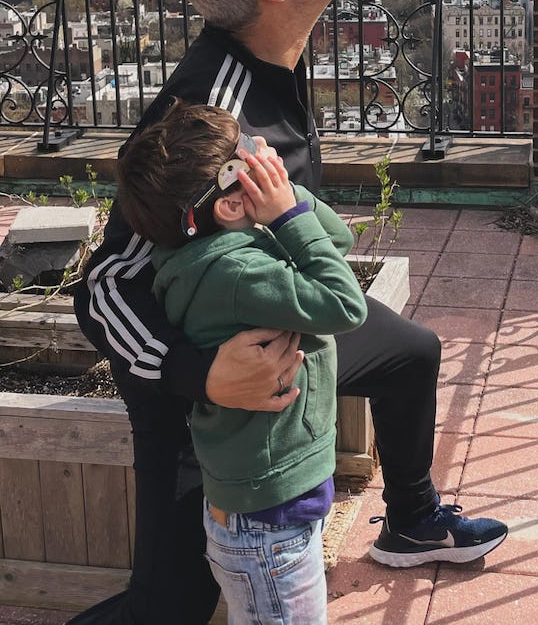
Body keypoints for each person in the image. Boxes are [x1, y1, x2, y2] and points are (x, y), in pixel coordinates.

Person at [72, 0, 507, 624]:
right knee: (172, 604)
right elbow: (105, 285)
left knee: (411, 353)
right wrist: (204, 374)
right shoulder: (212, 110)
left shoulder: (281, 65)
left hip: (269, 330)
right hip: (193, 388)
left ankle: (412, 520)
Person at [115, 99, 368, 624]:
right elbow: (345, 303)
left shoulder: (220, 243)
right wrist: (287, 215)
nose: (262, 156)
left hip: (272, 502)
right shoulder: (236, 271)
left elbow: (337, 239)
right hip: (267, 522)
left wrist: (284, 203)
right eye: (249, 156)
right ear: (229, 204)